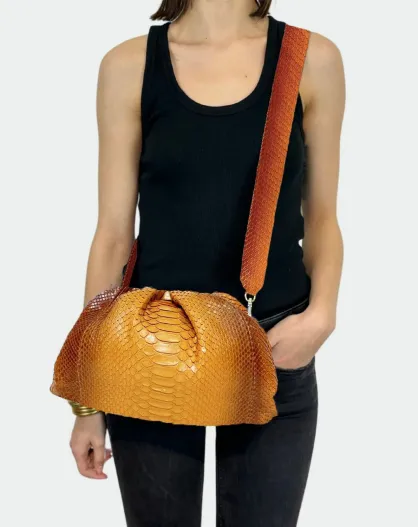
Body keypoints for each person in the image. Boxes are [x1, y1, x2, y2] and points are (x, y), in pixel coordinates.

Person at [68, 0, 345, 525]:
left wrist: (321, 316)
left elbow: (324, 217)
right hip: (152, 349)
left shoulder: (310, 59)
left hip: (274, 344)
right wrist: (88, 400)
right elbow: (112, 237)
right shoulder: (128, 66)